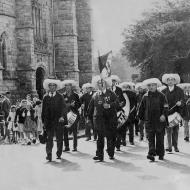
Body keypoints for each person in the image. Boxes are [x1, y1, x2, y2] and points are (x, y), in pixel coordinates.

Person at [88, 76, 119, 161]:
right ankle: (99, 155)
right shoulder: (95, 95)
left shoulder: (111, 93)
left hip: (110, 119)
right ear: (97, 85)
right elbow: (90, 108)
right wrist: (89, 118)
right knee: (100, 138)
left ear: (105, 84)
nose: (101, 85)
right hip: (99, 120)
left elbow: (117, 103)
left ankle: (110, 152)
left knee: (110, 138)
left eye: (102, 83)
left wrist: (109, 105)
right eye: (99, 83)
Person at [138, 78, 168, 161]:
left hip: (159, 121)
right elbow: (141, 108)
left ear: (156, 85)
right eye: (149, 85)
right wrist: (140, 118)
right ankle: (151, 153)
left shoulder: (162, 96)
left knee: (160, 139)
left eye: (153, 85)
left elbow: (166, 107)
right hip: (149, 121)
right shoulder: (145, 96)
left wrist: (163, 115)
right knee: (150, 138)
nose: (151, 87)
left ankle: (161, 154)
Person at [42, 77, 67, 161]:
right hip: (49, 122)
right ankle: (49, 154)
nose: (52, 87)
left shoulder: (60, 97)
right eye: (50, 86)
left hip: (58, 121)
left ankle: (58, 153)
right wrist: (43, 122)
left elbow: (64, 108)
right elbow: (43, 110)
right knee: (49, 138)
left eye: (54, 86)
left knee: (59, 138)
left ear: (56, 87)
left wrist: (62, 116)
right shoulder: (45, 97)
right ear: (48, 87)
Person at [162, 73, 185, 152]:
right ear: (166, 81)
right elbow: (161, 101)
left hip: (177, 113)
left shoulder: (179, 90)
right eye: (168, 80)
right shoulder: (164, 91)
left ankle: (175, 146)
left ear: (175, 81)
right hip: (167, 113)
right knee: (168, 130)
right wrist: (165, 107)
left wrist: (180, 102)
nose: (170, 81)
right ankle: (169, 147)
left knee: (175, 130)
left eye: (172, 80)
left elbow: (183, 100)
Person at [62, 80, 81, 152]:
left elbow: (79, 104)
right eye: (66, 86)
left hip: (74, 115)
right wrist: (69, 105)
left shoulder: (75, 95)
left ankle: (75, 147)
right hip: (66, 116)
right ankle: (66, 147)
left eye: (69, 86)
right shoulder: (63, 95)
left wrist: (75, 104)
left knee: (74, 132)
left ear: (71, 87)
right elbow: (62, 106)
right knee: (65, 132)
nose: (68, 88)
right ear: (65, 87)